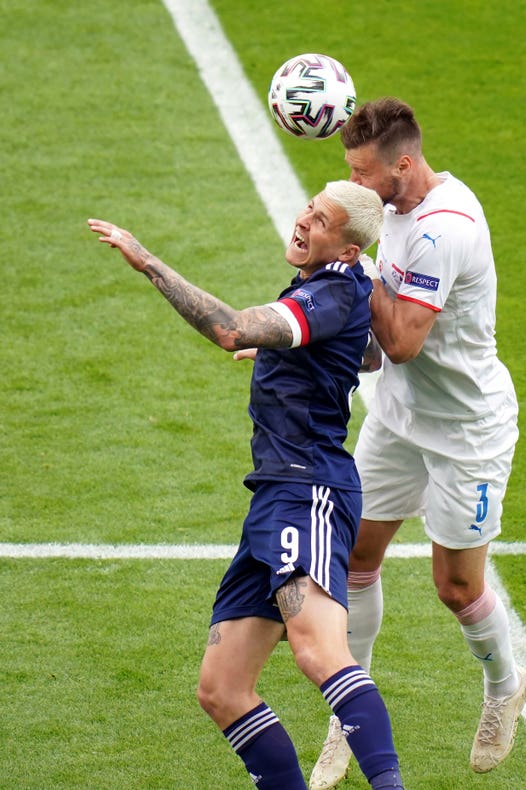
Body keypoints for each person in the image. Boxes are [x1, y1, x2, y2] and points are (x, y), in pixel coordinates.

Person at [87, 180, 404, 790]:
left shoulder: (334, 288)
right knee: (222, 688)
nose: (303, 221)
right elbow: (365, 355)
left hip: (308, 488)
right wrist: (293, 356)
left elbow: (231, 329)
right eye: (307, 208)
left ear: (346, 248)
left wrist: (146, 259)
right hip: (274, 497)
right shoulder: (336, 286)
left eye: (321, 219)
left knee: (317, 651)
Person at [309, 99, 526, 789]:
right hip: (399, 422)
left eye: (361, 172)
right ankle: (350, 715)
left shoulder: (445, 228)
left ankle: (505, 685)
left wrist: (354, 267)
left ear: (403, 165)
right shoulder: (395, 209)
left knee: (456, 586)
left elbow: (401, 342)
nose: (351, 184)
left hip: (468, 434)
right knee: (351, 562)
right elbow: (378, 356)